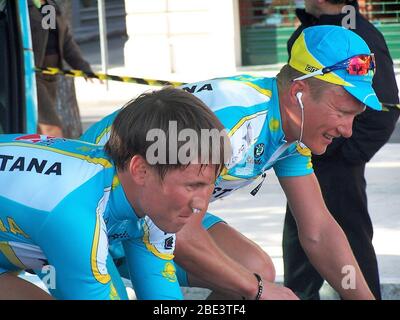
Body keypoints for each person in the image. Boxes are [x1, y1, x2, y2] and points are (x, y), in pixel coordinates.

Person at [83, 25, 381, 300]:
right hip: (90, 213)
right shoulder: (233, 121)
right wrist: (259, 290)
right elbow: (180, 233)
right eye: (341, 112)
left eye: (355, 116)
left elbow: (320, 232)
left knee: (254, 267)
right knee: (252, 282)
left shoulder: (290, 130)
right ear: (298, 93)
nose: (348, 130)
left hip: (149, 219)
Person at [0, 88, 229, 299]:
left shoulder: (151, 202)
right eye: (192, 186)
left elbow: (159, 289)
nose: (201, 204)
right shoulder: (78, 214)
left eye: (208, 185)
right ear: (141, 170)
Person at [282, 0, 400, 300]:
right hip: (303, 157)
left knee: (349, 247)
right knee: (298, 248)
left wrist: (341, 154)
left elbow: (384, 111)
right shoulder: (311, 30)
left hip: (337, 168)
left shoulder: (361, 37)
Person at [29, 0, 93, 138]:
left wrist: (83, 67)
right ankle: (54, 158)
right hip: (33, 77)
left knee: (39, 132)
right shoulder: (23, 7)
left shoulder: (49, 6)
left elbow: (63, 41)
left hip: (50, 77)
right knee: (52, 129)